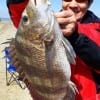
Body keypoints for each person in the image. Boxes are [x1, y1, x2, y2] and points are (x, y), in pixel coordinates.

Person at [7, 0, 100, 99]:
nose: (73, 4)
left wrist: (75, 37)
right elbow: (22, 12)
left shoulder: (97, 27)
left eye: (80, 0)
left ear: (89, 3)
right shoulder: (49, 21)